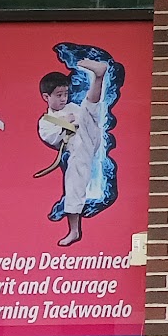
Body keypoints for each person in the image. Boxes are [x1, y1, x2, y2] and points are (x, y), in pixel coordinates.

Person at [37, 50, 118, 248]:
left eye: (65, 94)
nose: (63, 99)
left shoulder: (72, 107)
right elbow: (53, 138)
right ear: (46, 97)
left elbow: (86, 118)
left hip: (90, 138)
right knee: (73, 183)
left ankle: (99, 76)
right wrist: (67, 123)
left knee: (89, 109)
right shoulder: (45, 121)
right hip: (77, 149)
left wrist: (75, 119)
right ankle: (74, 231)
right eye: (59, 95)